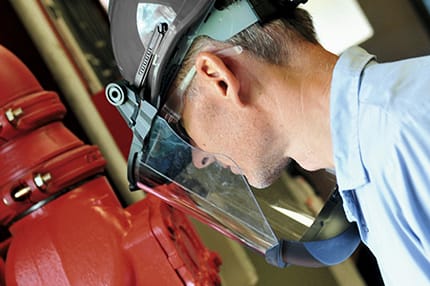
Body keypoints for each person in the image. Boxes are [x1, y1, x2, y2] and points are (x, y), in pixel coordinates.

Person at [108, 1, 430, 284]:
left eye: (182, 127)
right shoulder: (379, 161)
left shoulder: (407, 138)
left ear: (218, 78)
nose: (198, 159)